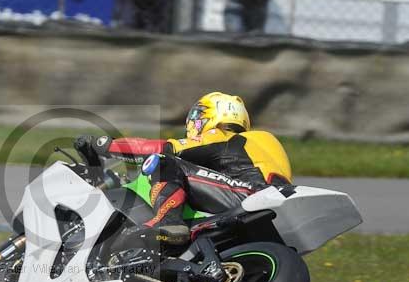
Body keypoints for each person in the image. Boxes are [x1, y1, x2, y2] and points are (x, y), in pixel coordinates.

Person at [75, 92, 292, 247]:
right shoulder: (251, 146)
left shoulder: (223, 137)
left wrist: (104, 145)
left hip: (247, 194)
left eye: (199, 115)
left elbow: (163, 148)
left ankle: (169, 223)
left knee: (161, 161)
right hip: (263, 201)